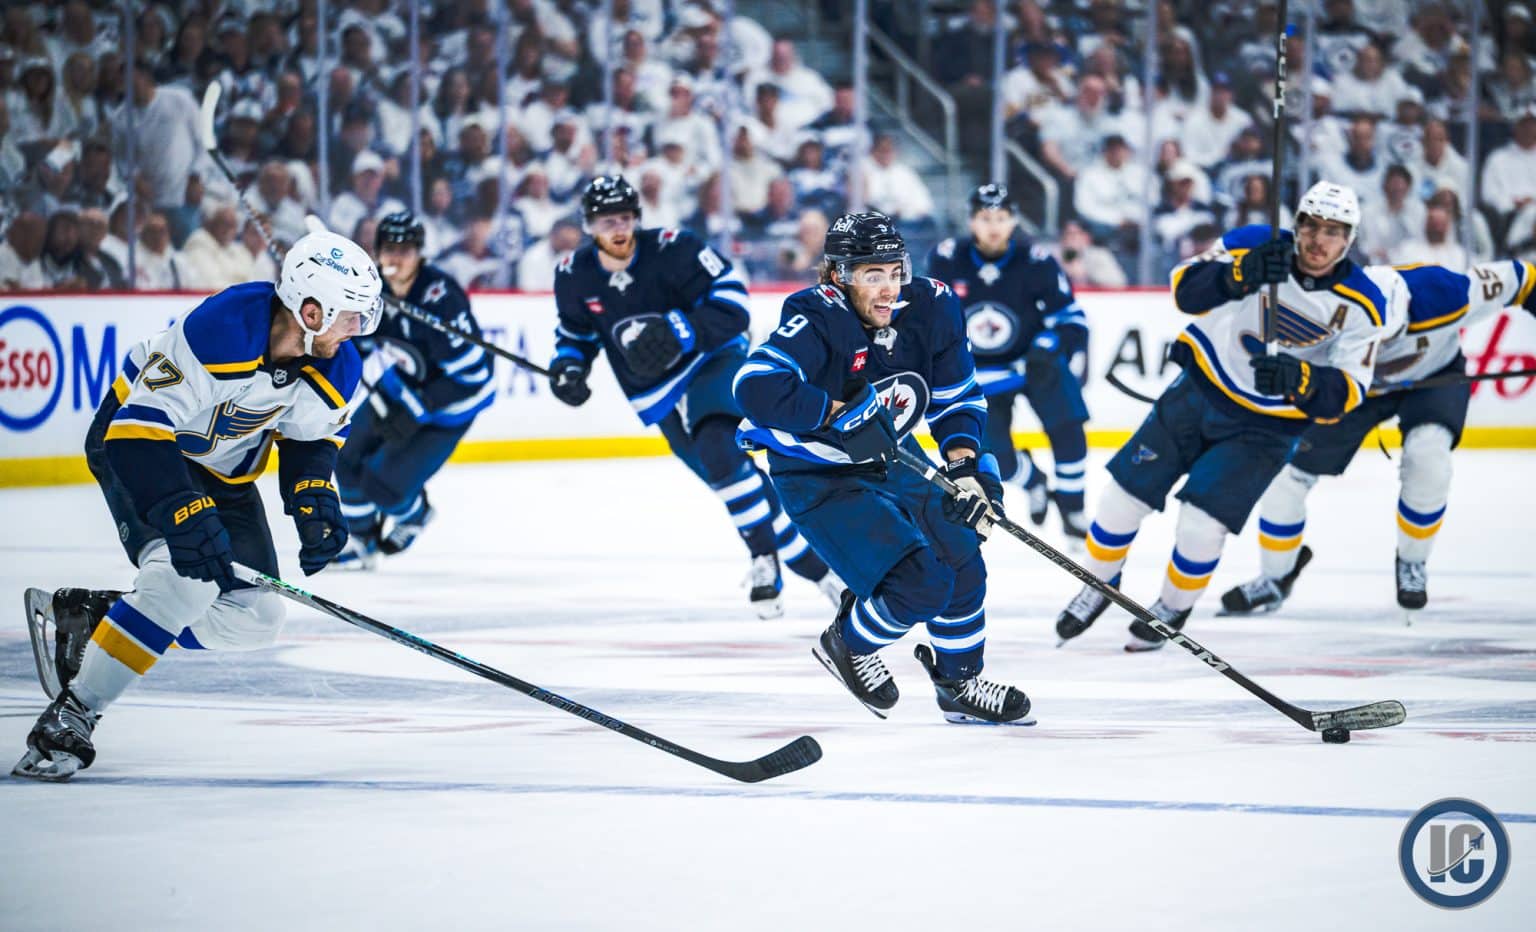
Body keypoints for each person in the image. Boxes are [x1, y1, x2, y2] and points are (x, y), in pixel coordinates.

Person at [13, 230, 380, 781]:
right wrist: (180, 508)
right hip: (140, 446)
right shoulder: (223, 329)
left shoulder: (337, 362)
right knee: (183, 582)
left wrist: (311, 493)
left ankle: (102, 620)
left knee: (256, 618)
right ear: (311, 311)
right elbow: (136, 431)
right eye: (349, 316)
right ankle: (74, 712)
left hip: (221, 473)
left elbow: (311, 439)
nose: (357, 329)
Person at [1054, 181, 1394, 651]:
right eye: (1311, 226)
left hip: (1267, 428)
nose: (1318, 240)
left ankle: (1172, 608)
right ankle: (1098, 582)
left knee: (1200, 526)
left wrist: (1301, 379)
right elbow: (1184, 289)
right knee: (1120, 500)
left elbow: (1349, 390)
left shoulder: (1363, 303)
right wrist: (1239, 274)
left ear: (1349, 239)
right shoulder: (1255, 243)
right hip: (1199, 392)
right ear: (1297, 224)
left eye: (1333, 232)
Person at [733, 211, 1031, 724]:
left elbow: (957, 397)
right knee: (919, 585)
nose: (889, 288)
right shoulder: (815, 314)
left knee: (961, 551)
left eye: (895, 271)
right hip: (817, 472)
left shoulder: (933, 305)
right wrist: (835, 413)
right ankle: (846, 643)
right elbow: (753, 385)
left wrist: (965, 469)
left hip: (892, 457)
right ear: (837, 276)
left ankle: (959, 684)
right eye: (873, 275)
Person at [549, 176, 842, 617]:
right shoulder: (574, 275)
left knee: (720, 450)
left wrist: (681, 330)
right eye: (607, 221)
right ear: (590, 226)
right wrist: (570, 366)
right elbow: (576, 333)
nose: (619, 228)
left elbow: (733, 300)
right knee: (730, 478)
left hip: (711, 360)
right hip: (655, 392)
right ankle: (823, 574)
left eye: (625, 218)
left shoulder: (674, 248)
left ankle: (764, 559)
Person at [1220, 259, 1536, 616]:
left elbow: (1524, 278)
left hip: (1434, 377)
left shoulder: (1444, 292)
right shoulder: (1323, 311)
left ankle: (1412, 561)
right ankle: (1275, 577)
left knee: (1428, 458)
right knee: (1286, 476)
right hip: (1352, 391)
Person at [926, 184, 1092, 543]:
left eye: (1001, 218)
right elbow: (929, 319)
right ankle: (1033, 479)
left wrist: (1047, 347)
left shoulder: (1037, 261)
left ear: (1013, 221)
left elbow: (1072, 319)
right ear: (972, 221)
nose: (994, 226)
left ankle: (1072, 509)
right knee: (993, 455)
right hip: (976, 375)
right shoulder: (946, 258)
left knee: (1068, 429)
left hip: (1032, 364)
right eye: (985, 218)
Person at [331, 212, 495, 568]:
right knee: (346, 458)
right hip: (403, 386)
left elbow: (474, 376)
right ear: (377, 252)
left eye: (406, 250)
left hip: (452, 405)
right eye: (389, 249)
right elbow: (359, 345)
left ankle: (416, 514)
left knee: (383, 486)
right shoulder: (374, 291)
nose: (397, 257)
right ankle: (362, 541)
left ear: (420, 254)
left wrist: (419, 407)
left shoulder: (441, 299)